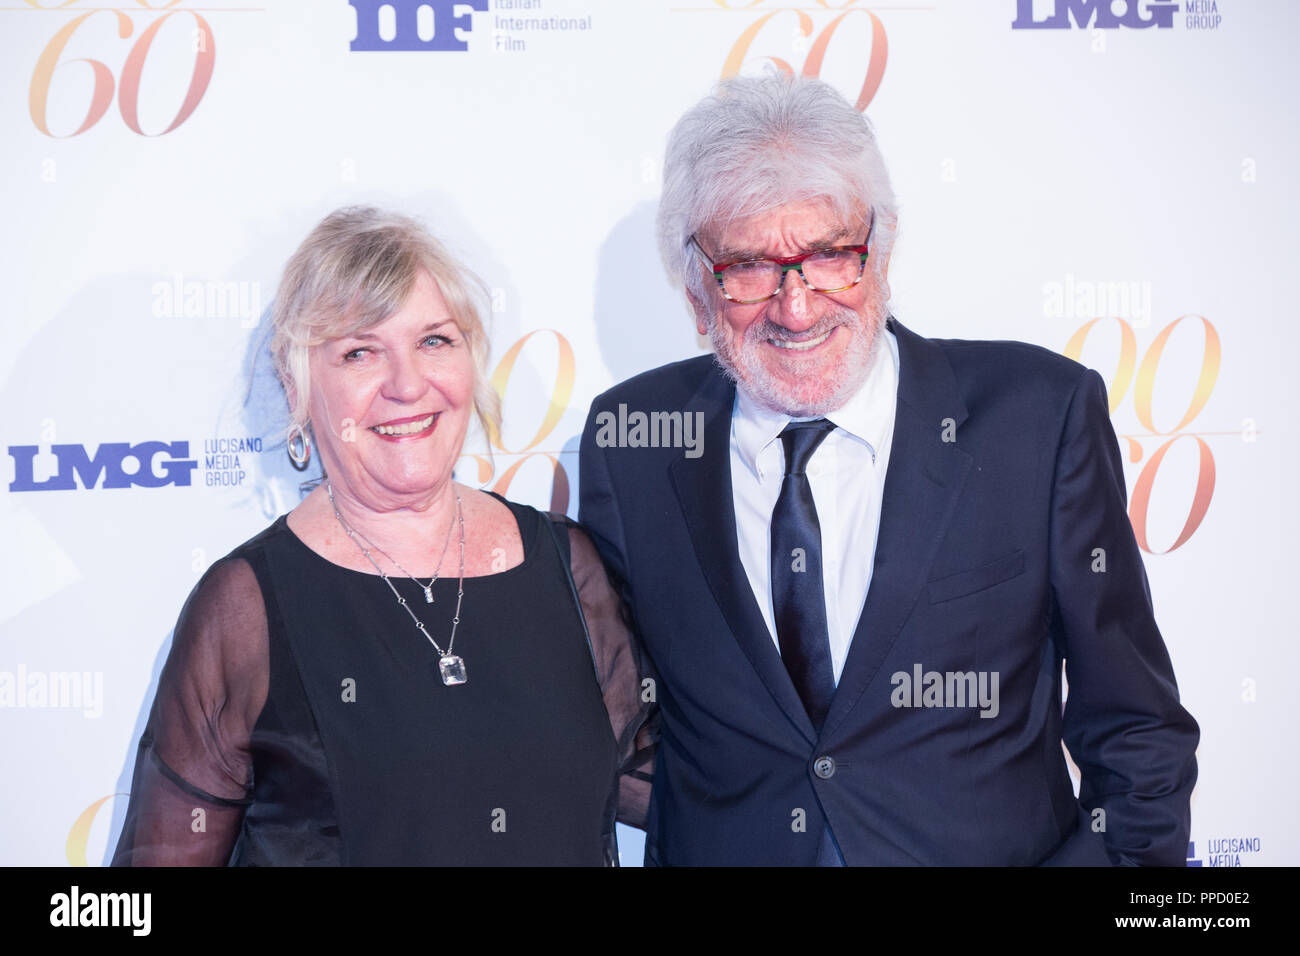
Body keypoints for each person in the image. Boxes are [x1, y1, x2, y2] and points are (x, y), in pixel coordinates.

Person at [578, 75, 1199, 866]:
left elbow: (1137, 727)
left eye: (830, 257)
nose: (796, 307)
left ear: (884, 245)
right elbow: (621, 724)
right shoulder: (633, 437)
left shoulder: (1037, 418)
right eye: (749, 268)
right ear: (698, 289)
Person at [113, 206, 655, 866]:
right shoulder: (247, 607)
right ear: (297, 386)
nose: (407, 384)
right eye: (360, 351)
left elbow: (674, 786)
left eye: (434, 341)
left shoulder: (567, 566)